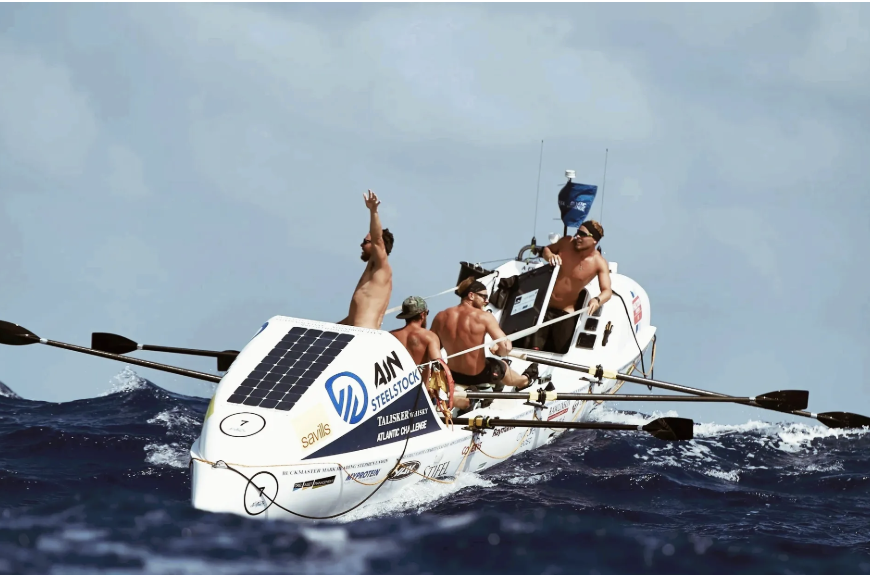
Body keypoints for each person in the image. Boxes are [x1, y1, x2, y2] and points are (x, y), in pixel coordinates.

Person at [430, 277, 537, 390]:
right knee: (502, 366)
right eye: (484, 297)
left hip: (454, 375)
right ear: (471, 295)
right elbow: (506, 347)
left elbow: (432, 347)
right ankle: (524, 381)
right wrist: (499, 352)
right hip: (478, 375)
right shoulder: (484, 317)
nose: (487, 301)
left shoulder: (440, 317)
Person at [528, 219, 612, 353]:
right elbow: (546, 249)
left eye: (582, 234)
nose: (577, 236)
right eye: (578, 232)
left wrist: (597, 300)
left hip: (565, 312)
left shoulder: (599, 263)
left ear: (594, 241)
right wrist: (550, 256)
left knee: (562, 351)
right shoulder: (566, 242)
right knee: (532, 349)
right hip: (543, 306)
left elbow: (607, 291)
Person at [389, 296, 470, 411]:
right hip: (420, 396)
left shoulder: (390, 336)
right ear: (422, 315)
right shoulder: (429, 336)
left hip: (395, 397)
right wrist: (442, 391)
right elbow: (438, 366)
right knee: (466, 402)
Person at [337, 190, 394, 329]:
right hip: (359, 332)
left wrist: (373, 211)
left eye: (365, 241)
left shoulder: (381, 265)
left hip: (364, 332)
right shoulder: (373, 272)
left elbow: (377, 238)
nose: (361, 245)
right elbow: (355, 316)